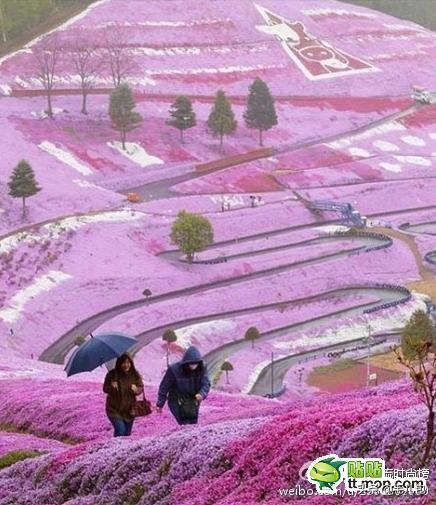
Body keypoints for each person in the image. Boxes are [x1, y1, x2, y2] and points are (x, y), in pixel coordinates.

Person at [156, 346, 210, 425]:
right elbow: (164, 387)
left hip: (193, 400)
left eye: (196, 363)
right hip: (177, 401)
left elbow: (206, 383)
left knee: (193, 423)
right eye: (191, 363)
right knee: (184, 423)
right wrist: (160, 404)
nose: (193, 366)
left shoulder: (202, 368)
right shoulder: (174, 369)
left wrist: (202, 394)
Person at [103, 353, 144, 437]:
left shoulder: (135, 374)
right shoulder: (112, 374)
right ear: (119, 363)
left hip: (129, 410)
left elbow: (141, 386)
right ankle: (114, 448)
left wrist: (136, 390)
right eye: (123, 363)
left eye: (128, 363)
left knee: (127, 434)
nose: (126, 365)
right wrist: (112, 387)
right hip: (114, 410)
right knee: (120, 430)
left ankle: (119, 449)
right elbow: (105, 389)